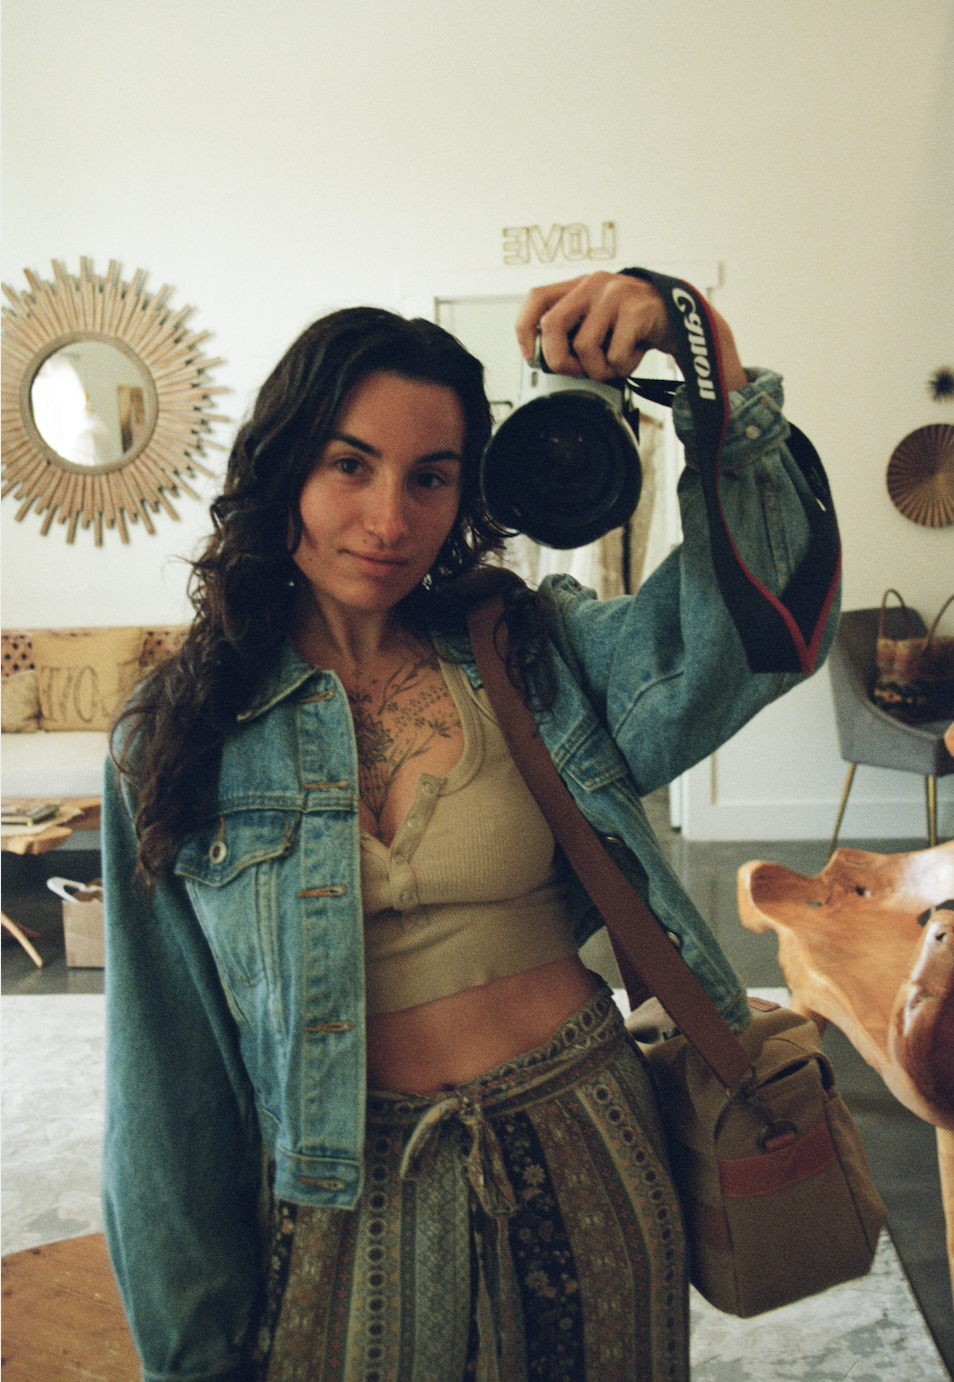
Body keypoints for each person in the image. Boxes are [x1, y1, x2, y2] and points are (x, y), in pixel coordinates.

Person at [102, 269, 839, 1382]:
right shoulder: (177, 732)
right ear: (281, 466)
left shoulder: (532, 654)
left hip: (591, 1142)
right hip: (343, 1192)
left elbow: (759, 632)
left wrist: (705, 361)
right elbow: (165, 1092)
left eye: (431, 476)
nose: (390, 519)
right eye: (350, 464)